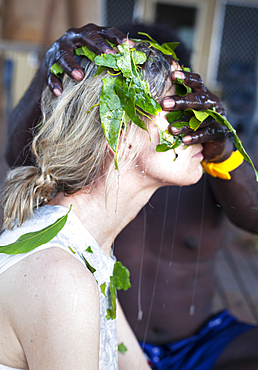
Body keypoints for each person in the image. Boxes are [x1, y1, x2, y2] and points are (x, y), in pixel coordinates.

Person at [5, 24, 258, 370]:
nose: (200, 120)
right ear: (117, 129)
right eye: (178, 104)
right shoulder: (63, 280)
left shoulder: (93, 255)